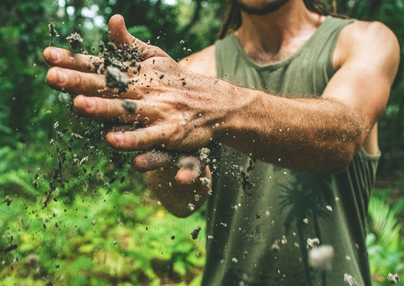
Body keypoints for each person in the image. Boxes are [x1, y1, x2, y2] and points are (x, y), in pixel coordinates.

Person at [43, 0, 399, 284]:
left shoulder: (364, 40)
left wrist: (217, 107)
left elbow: (342, 133)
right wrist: (174, 168)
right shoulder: (193, 72)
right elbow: (182, 203)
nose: (204, 100)